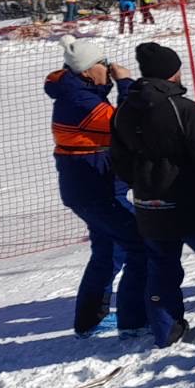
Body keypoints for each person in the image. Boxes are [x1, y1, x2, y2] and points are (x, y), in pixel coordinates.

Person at [111, 42, 195, 346]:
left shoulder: (124, 110)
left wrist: (144, 184)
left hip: (149, 205)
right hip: (193, 204)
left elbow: (119, 161)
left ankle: (165, 330)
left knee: (161, 266)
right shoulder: (184, 109)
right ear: (171, 72)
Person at [46, 34, 149, 336]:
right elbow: (126, 125)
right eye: (103, 63)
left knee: (109, 250)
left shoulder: (79, 90)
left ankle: (89, 319)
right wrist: (126, 84)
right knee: (141, 244)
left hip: (94, 187)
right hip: (94, 190)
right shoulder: (80, 101)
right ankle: (134, 321)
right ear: (88, 70)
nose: (109, 67)